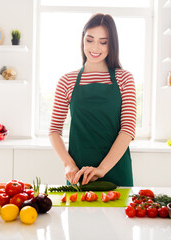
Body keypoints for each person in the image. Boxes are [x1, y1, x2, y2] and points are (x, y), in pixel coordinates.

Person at [49, 13, 137, 187]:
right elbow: (54, 130)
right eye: (90, 40)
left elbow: (128, 129)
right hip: (79, 173)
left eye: (103, 42)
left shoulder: (124, 78)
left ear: (112, 44)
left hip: (116, 169)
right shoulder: (67, 80)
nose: (95, 47)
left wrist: (102, 169)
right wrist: (68, 164)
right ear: (83, 40)